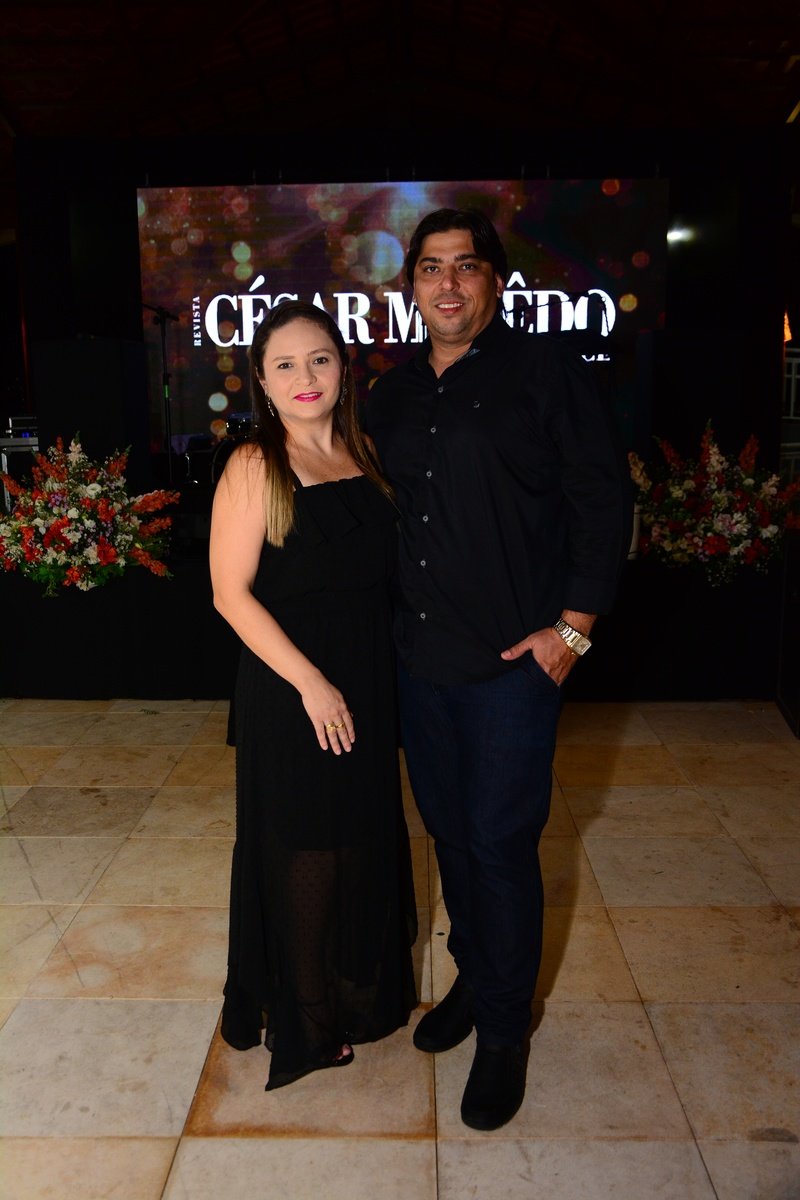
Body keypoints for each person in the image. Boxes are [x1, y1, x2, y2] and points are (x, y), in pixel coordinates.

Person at [364, 208, 630, 1130]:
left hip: (515, 669)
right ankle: (477, 981)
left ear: (495, 281)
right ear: (410, 287)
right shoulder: (390, 396)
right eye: (430, 268)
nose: (447, 283)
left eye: (465, 265)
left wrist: (573, 633)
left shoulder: (546, 372)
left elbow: (603, 500)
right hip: (420, 663)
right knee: (449, 834)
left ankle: (507, 1030)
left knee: (501, 844)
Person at [210, 299, 417, 1091]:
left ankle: (351, 997)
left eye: (320, 358)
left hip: (365, 682)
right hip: (293, 690)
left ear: (343, 369)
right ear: (262, 382)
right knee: (306, 852)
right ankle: (306, 1020)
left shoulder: (363, 453)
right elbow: (230, 595)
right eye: (286, 364)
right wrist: (312, 684)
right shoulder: (255, 464)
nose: (306, 376)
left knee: (358, 844)